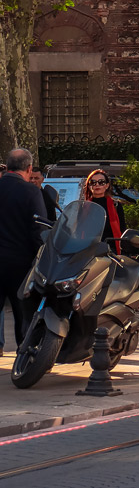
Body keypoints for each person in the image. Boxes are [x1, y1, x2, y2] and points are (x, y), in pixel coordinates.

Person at [0, 149, 48, 356]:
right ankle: (25, 356)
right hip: (20, 263)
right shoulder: (30, 192)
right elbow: (39, 229)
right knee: (23, 314)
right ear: (29, 168)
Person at [83, 169, 127, 252]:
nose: (97, 185)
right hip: (88, 252)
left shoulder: (116, 205)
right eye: (93, 182)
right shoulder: (83, 207)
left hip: (111, 252)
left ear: (107, 185)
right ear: (89, 186)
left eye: (101, 182)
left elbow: (122, 231)